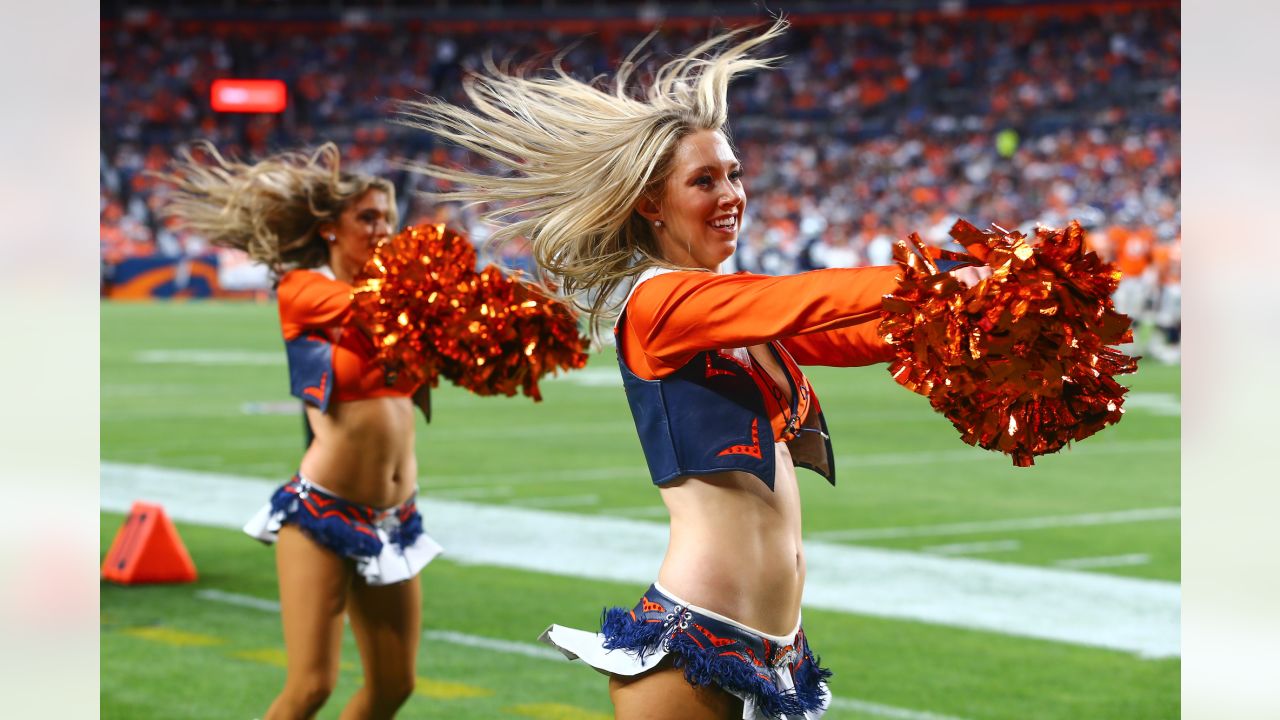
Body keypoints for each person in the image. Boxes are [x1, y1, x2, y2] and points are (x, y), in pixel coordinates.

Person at [397, 20, 989, 720]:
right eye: (703, 180)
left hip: (774, 649)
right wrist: (945, 277)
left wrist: (978, 323)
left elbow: (851, 331)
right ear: (651, 202)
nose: (730, 193)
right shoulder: (661, 302)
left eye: (734, 173)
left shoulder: (727, 311)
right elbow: (810, 296)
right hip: (696, 641)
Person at [163, 143, 439, 719]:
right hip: (323, 514)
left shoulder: (402, 294)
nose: (382, 228)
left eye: (388, 216)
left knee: (395, 686)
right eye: (367, 217)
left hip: (396, 518)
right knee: (310, 686)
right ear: (330, 228)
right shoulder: (304, 290)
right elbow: (366, 309)